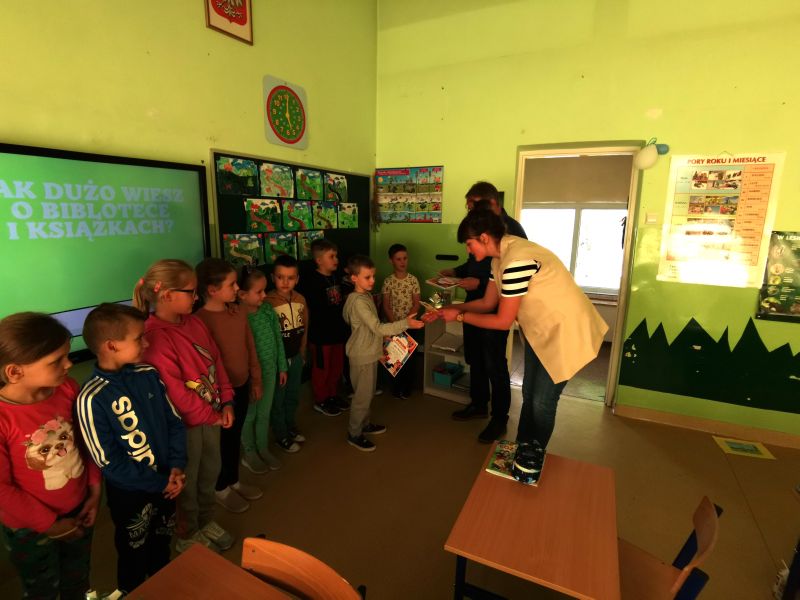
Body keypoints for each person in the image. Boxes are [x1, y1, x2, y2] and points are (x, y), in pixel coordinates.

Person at [438, 205, 607, 451]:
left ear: (484, 238)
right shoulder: (499, 258)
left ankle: (532, 457)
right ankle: (521, 448)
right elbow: (487, 303)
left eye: (469, 243)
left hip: (566, 331)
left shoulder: (516, 260)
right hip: (541, 332)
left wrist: (460, 316)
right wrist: (452, 308)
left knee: (542, 402)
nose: (468, 250)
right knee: (529, 393)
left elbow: (502, 321)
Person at [76, 303, 187, 594]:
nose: (146, 343)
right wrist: (160, 481)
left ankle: (163, 584)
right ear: (111, 345)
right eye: (139, 338)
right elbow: (110, 463)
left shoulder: (148, 373)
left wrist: (176, 466)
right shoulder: (91, 398)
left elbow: (174, 423)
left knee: (162, 540)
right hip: (131, 495)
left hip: (167, 481)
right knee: (132, 550)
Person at [133, 259, 235, 554]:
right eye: (191, 291)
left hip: (212, 418)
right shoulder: (154, 336)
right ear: (166, 295)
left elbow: (216, 361)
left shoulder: (195, 322)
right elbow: (176, 392)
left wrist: (227, 399)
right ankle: (188, 532)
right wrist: (212, 415)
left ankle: (206, 521)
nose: (196, 297)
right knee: (187, 482)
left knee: (210, 472)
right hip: (185, 427)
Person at [0, 312, 101, 600]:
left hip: (79, 509)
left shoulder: (67, 389)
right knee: (42, 590)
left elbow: (86, 441)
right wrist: (50, 525)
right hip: (30, 530)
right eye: (57, 360)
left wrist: (94, 491)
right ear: (15, 372)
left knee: (78, 580)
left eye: (67, 356)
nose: (69, 364)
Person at [439, 181, 527, 443]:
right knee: (475, 357)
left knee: (494, 363)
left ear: (491, 204)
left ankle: (499, 418)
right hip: (478, 301)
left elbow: (500, 298)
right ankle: (478, 404)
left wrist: (464, 303)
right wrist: (456, 274)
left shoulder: (510, 237)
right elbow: (475, 265)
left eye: (473, 205)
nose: (469, 211)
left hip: (500, 308)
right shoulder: (481, 233)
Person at [195, 258, 263, 514]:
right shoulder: (199, 321)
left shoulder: (238, 312)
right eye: (232, 284)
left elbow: (249, 347)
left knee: (234, 438)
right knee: (220, 443)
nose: (237, 288)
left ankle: (233, 480)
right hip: (219, 397)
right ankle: (220, 487)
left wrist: (255, 379)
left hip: (242, 385)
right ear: (212, 290)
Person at [342, 255, 427, 451]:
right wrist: (406, 323)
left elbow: (369, 329)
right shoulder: (358, 302)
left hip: (369, 353)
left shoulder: (365, 296)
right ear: (354, 278)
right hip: (362, 356)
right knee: (362, 398)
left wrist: (378, 348)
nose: (372, 280)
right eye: (367, 277)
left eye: (373, 276)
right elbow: (377, 327)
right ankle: (354, 433)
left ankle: (364, 424)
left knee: (368, 394)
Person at [236, 265, 289, 461]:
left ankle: (263, 448)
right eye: (259, 292)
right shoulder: (237, 316)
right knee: (250, 415)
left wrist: (282, 366)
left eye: (264, 290)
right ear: (242, 295)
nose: (265, 295)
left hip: (270, 370)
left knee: (264, 413)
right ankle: (250, 452)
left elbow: (278, 338)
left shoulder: (266, 310)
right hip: (250, 376)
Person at [298, 239, 350, 417]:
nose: (336, 260)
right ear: (319, 260)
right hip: (320, 335)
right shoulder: (311, 281)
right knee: (322, 369)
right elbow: (307, 309)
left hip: (338, 333)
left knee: (336, 367)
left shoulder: (336, 277)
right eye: (331, 256)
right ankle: (321, 400)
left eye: (336, 256)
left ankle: (332, 395)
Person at [264, 255, 307, 453]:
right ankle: (280, 433)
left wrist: (302, 352)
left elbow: (305, 327)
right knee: (278, 399)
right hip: (277, 362)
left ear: (297, 279)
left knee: (293, 395)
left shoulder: (300, 299)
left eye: (290, 278)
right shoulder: (267, 302)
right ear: (273, 278)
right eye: (280, 277)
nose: (285, 282)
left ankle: (290, 425)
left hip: (296, 357)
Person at [381, 243, 421, 400]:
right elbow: (386, 305)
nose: (402, 262)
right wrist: (396, 325)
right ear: (391, 261)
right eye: (398, 259)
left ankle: (407, 387)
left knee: (409, 359)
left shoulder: (413, 280)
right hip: (393, 326)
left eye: (405, 258)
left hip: (411, 326)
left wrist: (406, 323)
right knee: (394, 357)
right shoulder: (388, 281)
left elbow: (416, 303)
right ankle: (396, 388)